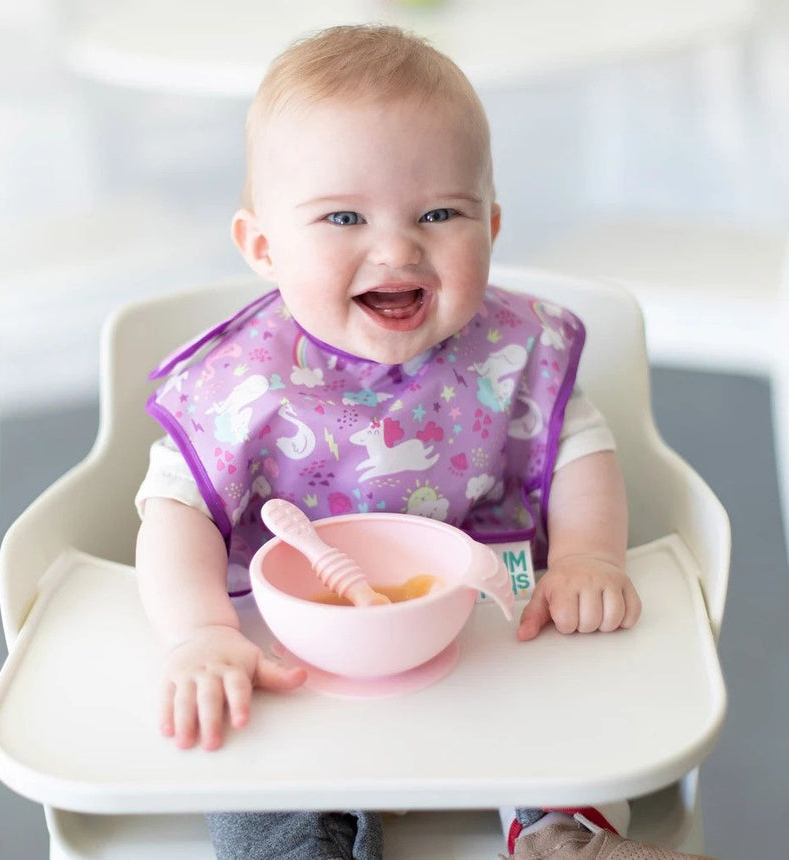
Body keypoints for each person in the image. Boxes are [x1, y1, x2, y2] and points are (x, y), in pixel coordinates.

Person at [134, 24, 710, 860]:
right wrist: (199, 634)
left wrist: (591, 557)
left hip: (482, 625)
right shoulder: (241, 381)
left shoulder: (510, 350)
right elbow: (173, 510)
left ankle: (562, 834)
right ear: (264, 246)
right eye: (343, 216)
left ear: (493, 224)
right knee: (262, 773)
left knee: (560, 719)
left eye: (440, 212)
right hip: (297, 645)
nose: (398, 247)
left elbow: (582, 447)